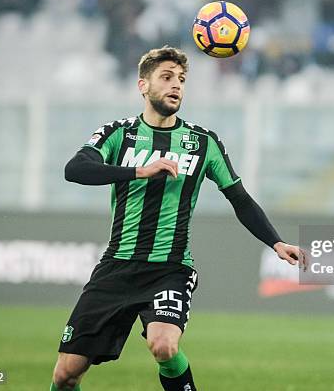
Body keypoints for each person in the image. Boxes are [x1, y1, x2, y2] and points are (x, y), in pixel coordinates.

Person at [50, 46, 306, 391]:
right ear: (143, 85)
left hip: (170, 269)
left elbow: (240, 199)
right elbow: (75, 169)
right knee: (66, 375)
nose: (176, 86)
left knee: (164, 344)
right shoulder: (118, 134)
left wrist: (275, 241)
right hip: (117, 267)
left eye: (182, 80)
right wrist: (141, 170)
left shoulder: (202, 143)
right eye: (167, 77)